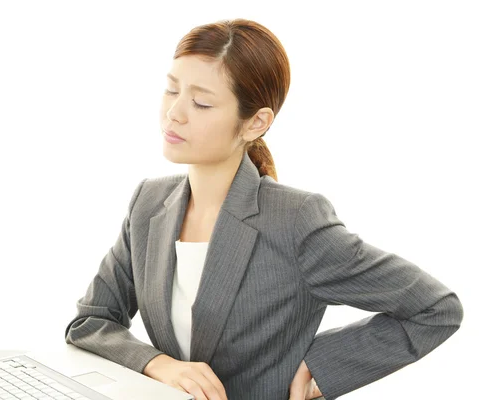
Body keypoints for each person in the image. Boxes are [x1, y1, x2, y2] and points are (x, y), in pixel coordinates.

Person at [64, 18, 464, 400]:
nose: (175, 112)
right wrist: (159, 363)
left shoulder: (295, 220)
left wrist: (321, 365)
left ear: (255, 123)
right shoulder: (148, 203)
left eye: (201, 103)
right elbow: (90, 322)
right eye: (172, 90)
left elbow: (435, 308)